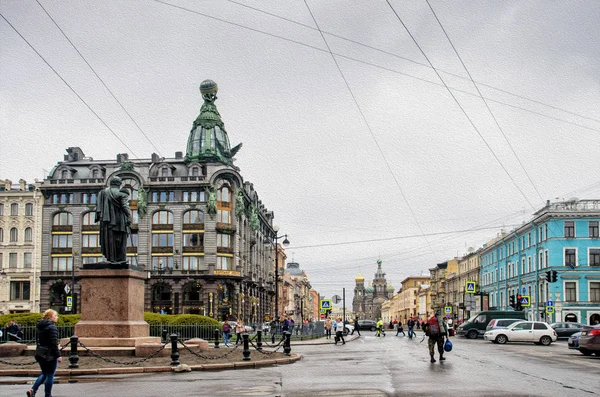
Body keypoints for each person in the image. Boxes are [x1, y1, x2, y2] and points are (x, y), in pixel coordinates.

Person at [95, 176, 132, 264]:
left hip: (106, 220)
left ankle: (112, 258)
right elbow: (124, 206)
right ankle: (120, 258)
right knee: (121, 239)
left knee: (109, 239)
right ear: (119, 184)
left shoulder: (102, 192)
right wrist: (129, 217)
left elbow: (98, 209)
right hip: (120, 219)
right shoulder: (121, 193)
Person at [27, 309, 62, 397]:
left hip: (40, 353)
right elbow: (53, 343)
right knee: (50, 374)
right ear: (50, 317)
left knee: (44, 373)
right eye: (55, 316)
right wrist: (58, 355)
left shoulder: (40, 326)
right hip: (50, 354)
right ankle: (48, 395)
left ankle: (33, 390)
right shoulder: (52, 327)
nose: (56, 317)